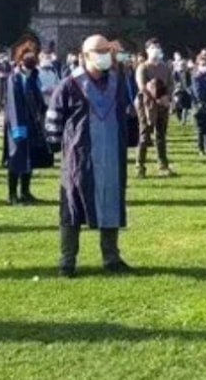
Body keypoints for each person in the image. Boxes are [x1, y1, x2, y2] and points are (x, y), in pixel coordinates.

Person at [46, 35, 133, 278]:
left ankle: (111, 257)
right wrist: (54, 145)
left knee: (111, 202)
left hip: (112, 155)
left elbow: (126, 114)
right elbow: (54, 119)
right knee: (73, 207)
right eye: (99, 50)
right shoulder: (70, 84)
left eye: (107, 50)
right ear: (85, 56)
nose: (105, 54)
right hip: (80, 157)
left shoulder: (117, 82)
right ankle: (67, 260)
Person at [4, 38, 51, 205]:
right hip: (17, 124)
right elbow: (13, 104)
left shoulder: (33, 76)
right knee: (16, 158)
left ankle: (25, 191)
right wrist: (18, 129)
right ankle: (12, 194)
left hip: (33, 122)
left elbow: (38, 99)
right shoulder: (14, 78)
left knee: (29, 158)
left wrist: (44, 113)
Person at [135, 39, 174, 179]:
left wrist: (167, 97)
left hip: (163, 104)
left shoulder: (166, 68)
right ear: (147, 50)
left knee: (161, 136)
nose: (156, 50)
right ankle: (140, 165)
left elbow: (171, 84)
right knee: (145, 134)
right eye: (152, 47)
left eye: (158, 47)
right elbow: (142, 86)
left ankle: (163, 165)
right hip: (146, 104)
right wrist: (156, 97)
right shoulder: (143, 67)